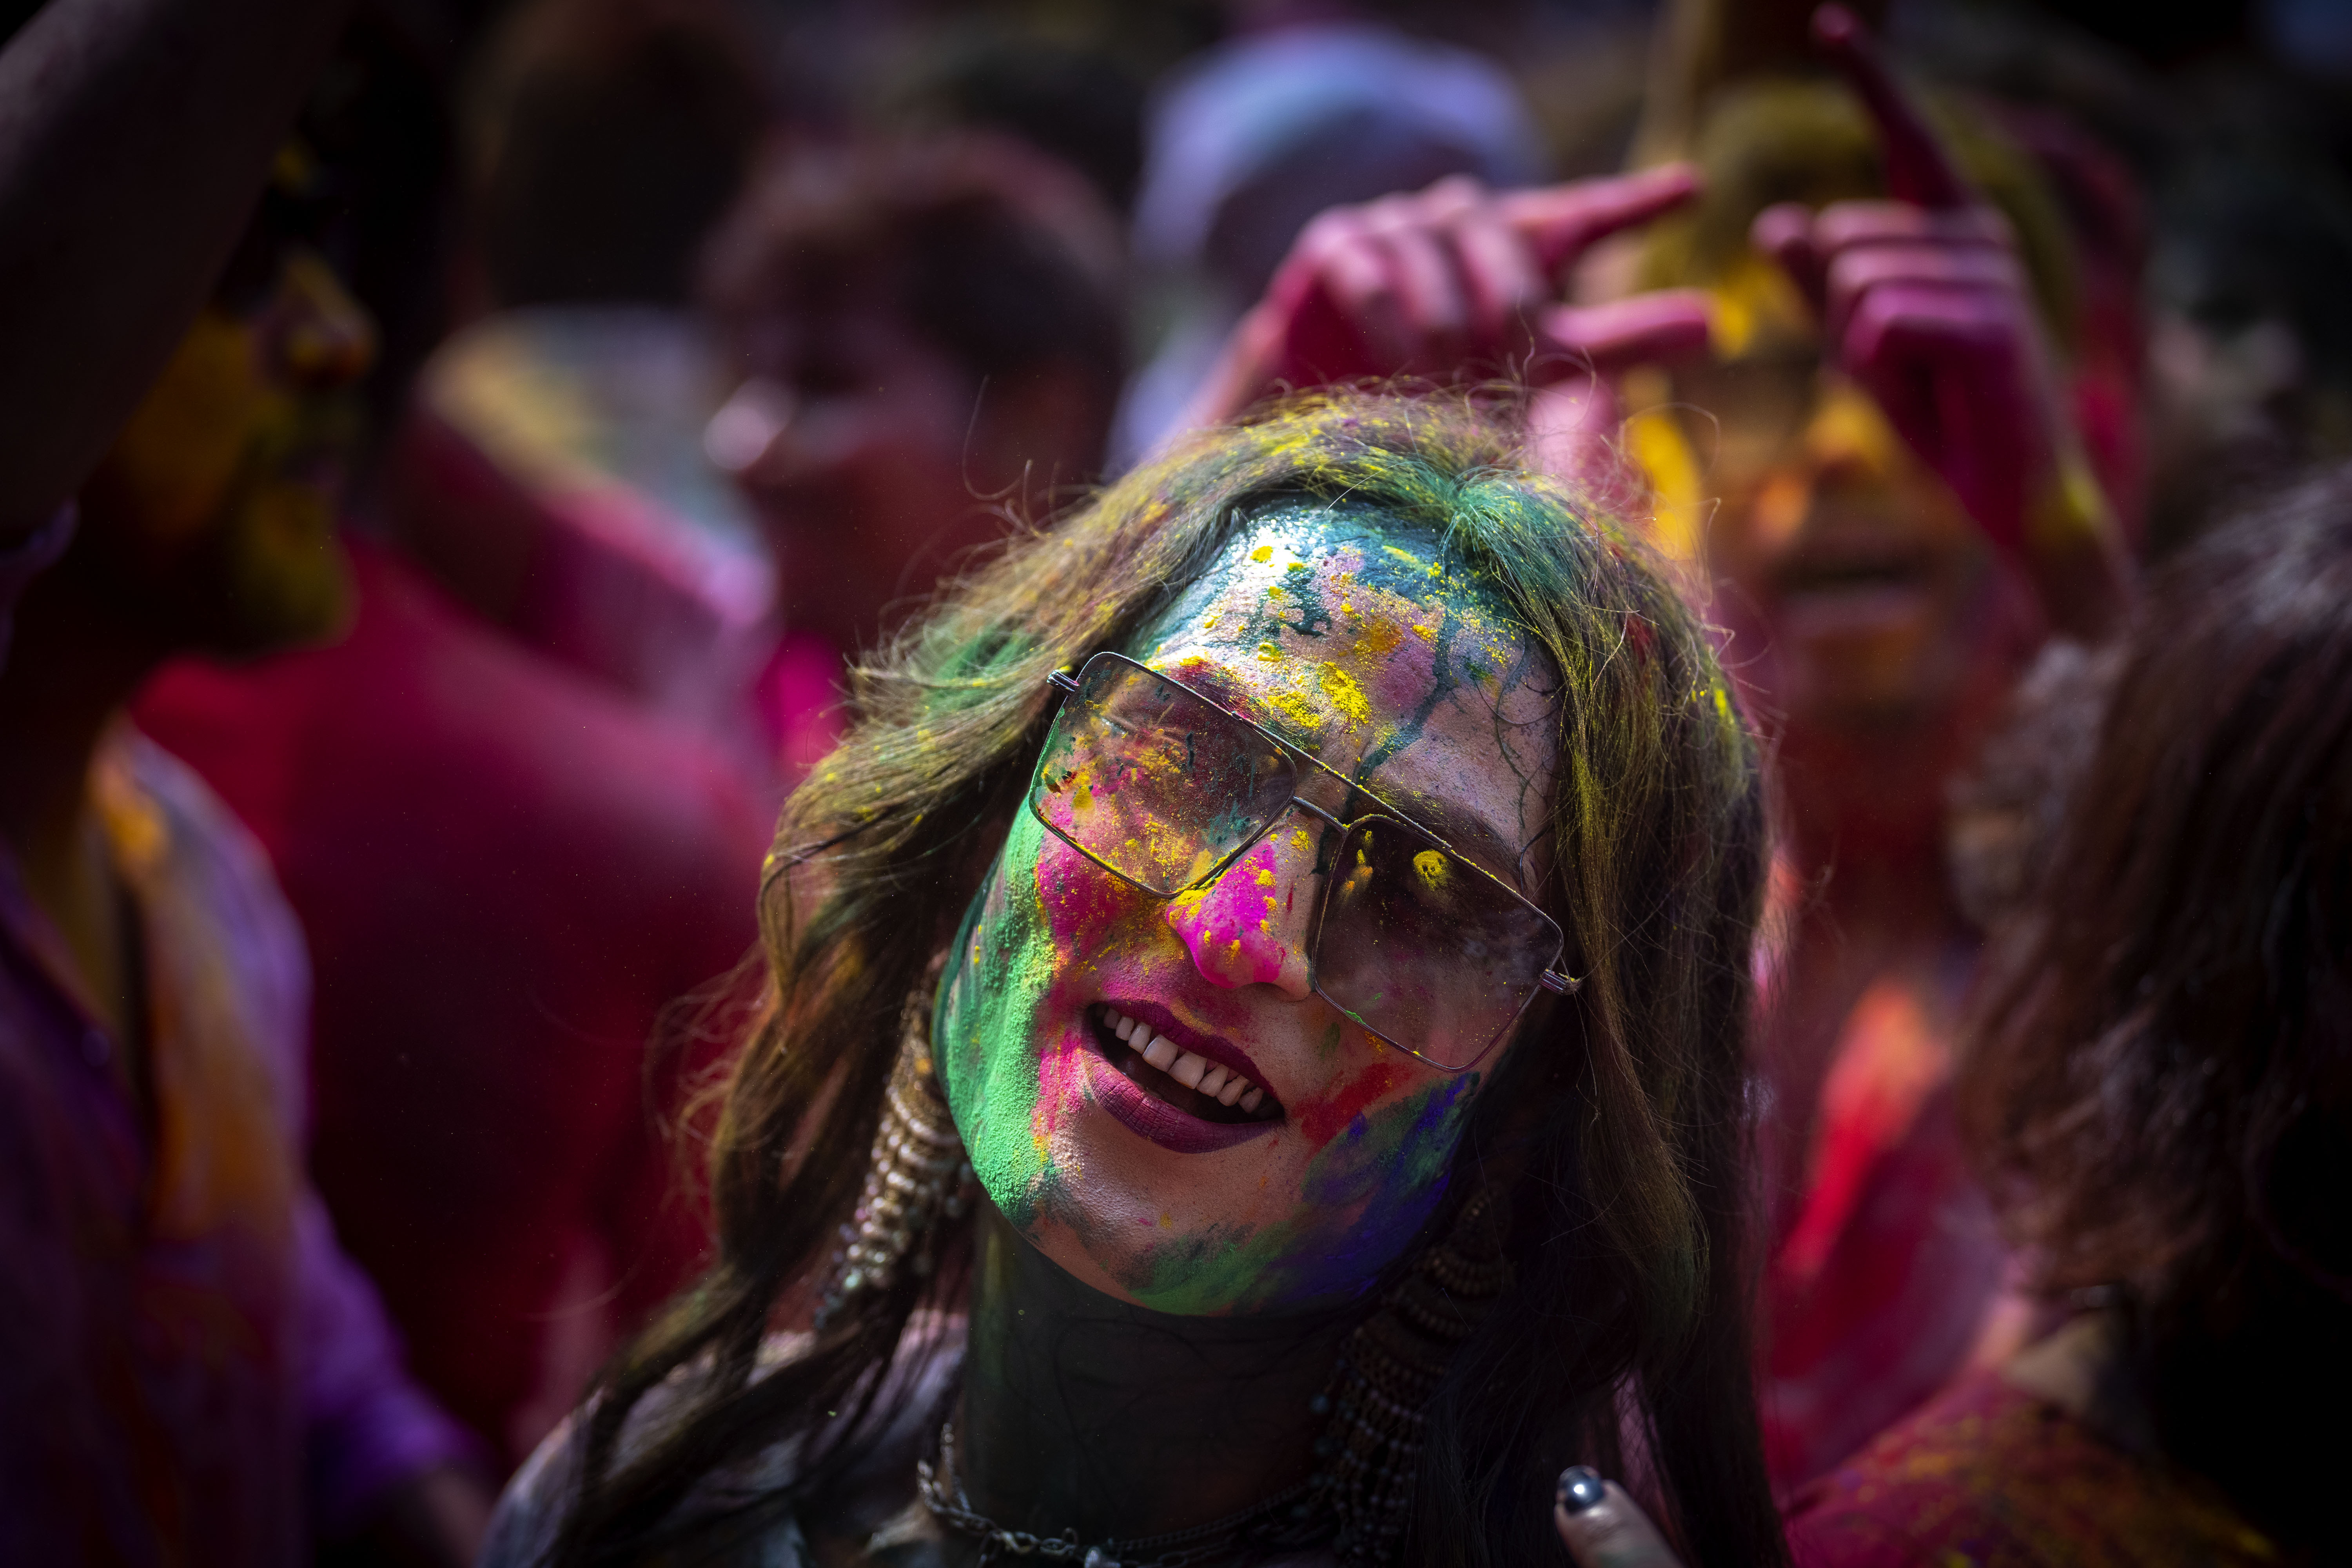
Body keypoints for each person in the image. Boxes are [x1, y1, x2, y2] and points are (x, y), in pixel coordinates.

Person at [481, 392, 1788, 1568]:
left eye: (1426, 888)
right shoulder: (658, 1493)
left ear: (1537, 1111)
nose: (1238, 933)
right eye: (1185, 757)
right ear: (980, 833)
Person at [0, 0, 495, 1558]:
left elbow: (328, 1405)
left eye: (330, 261)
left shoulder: (205, 890)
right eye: (234, 266)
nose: (340, 340)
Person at [697, 133, 1126, 782]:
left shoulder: (1126, 763)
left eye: (824, 386)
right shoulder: (747, 697)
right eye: (744, 384)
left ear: (1035, 429)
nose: (742, 447)